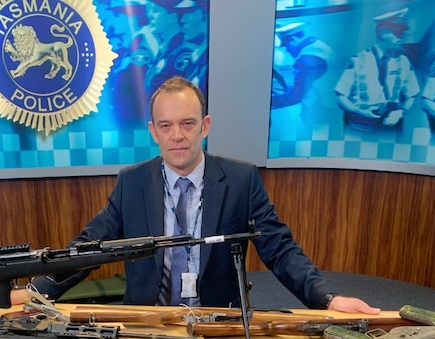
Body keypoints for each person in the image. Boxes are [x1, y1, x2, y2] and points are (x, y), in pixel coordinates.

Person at [22, 77, 378, 314]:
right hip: (149, 322)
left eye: (187, 123)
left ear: (205, 126)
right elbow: (90, 248)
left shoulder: (240, 179)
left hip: (218, 321)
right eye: (166, 125)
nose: (178, 135)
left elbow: (280, 249)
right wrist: (38, 291)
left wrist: (327, 299)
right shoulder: (133, 183)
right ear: (154, 132)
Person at [334, 8, 420, 130]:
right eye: (397, 32)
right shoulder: (359, 60)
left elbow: (412, 95)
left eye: (402, 32)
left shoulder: (403, 61)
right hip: (360, 125)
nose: (402, 36)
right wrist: (358, 111)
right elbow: (340, 96)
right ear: (383, 32)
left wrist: (401, 111)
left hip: (391, 126)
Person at [270, 19, 331, 110]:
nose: (287, 50)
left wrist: (266, 100)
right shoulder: (320, 47)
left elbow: (295, 97)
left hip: (322, 109)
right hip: (328, 105)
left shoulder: (307, 59)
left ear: (293, 39)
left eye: (286, 44)